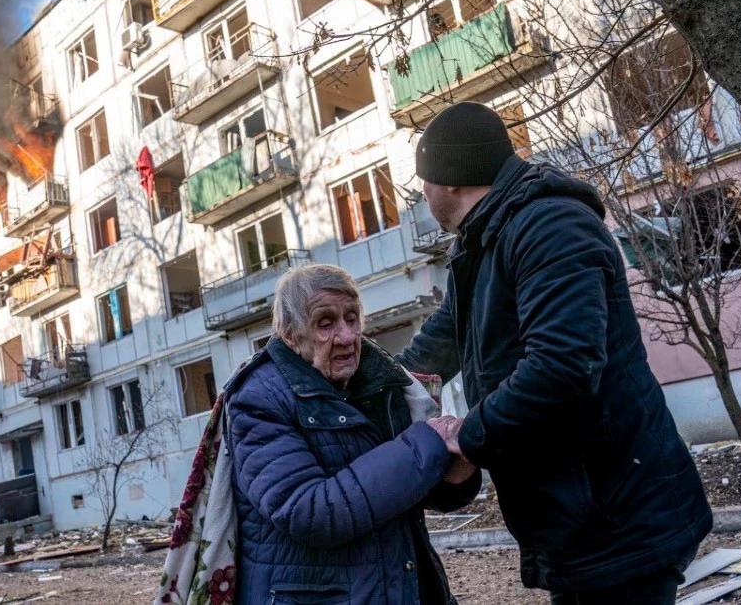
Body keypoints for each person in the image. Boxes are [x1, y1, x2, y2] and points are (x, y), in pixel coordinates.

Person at [397, 102, 712, 604]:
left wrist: (469, 439)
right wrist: (376, 388)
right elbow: (442, 339)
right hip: (576, 513)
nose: (424, 196)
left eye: (423, 183)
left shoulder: (549, 226)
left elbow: (563, 366)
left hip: (616, 512)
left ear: (450, 179)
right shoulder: (482, 243)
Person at [226, 264, 480, 604]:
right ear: (290, 333)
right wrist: (425, 443)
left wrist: (454, 475)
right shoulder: (259, 398)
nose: (347, 337)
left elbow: (402, 490)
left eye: (352, 318)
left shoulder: (383, 380)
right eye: (326, 323)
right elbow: (308, 511)